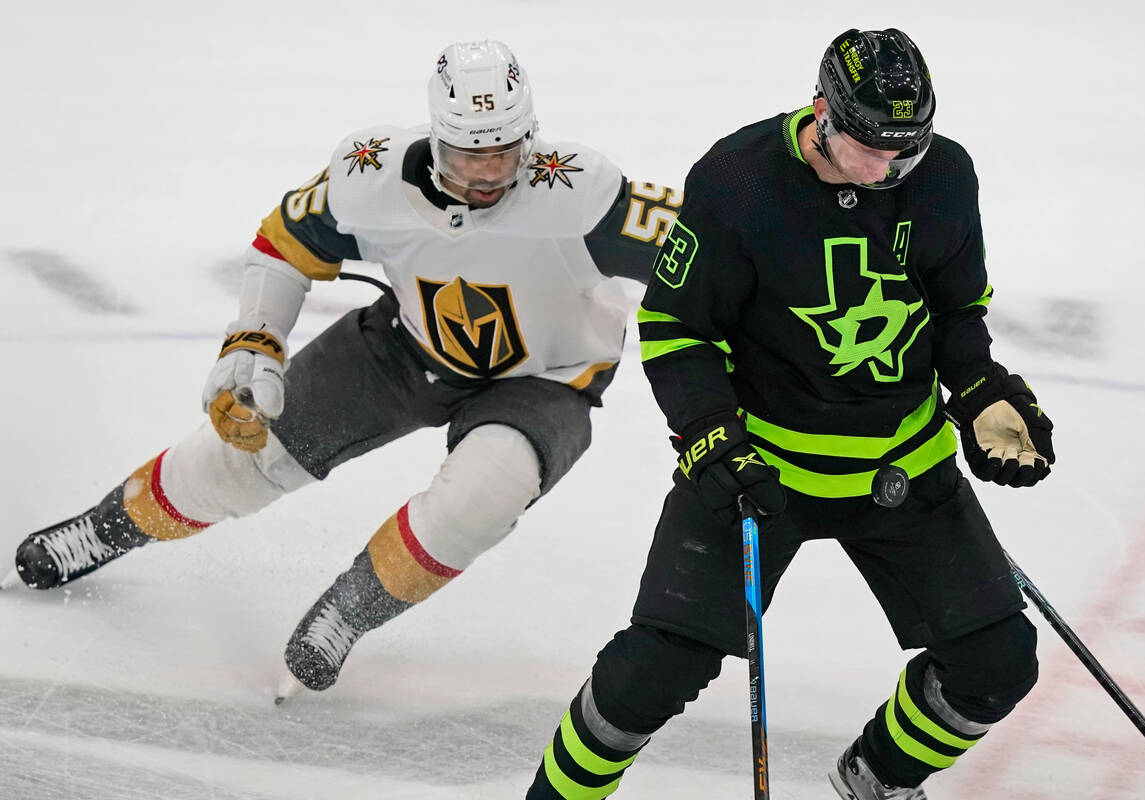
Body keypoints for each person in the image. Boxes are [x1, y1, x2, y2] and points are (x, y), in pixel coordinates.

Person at [5, 39, 681, 701]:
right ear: (436, 135)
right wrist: (254, 339)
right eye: (471, 152)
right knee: (239, 458)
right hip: (405, 347)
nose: (489, 173)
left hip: (548, 379)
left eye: (506, 150)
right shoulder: (371, 175)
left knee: (480, 499)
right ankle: (104, 528)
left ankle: (349, 611)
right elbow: (284, 241)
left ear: (531, 136)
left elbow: (710, 258)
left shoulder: (581, 191)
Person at [526, 28, 1055, 800]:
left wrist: (979, 388)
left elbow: (955, 312)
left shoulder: (944, 176)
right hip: (760, 473)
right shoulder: (739, 182)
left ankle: (876, 776)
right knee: (653, 670)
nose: (890, 169)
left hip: (900, 466)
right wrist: (709, 435)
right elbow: (677, 329)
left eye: (907, 148)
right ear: (824, 116)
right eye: (873, 148)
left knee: (998, 663)